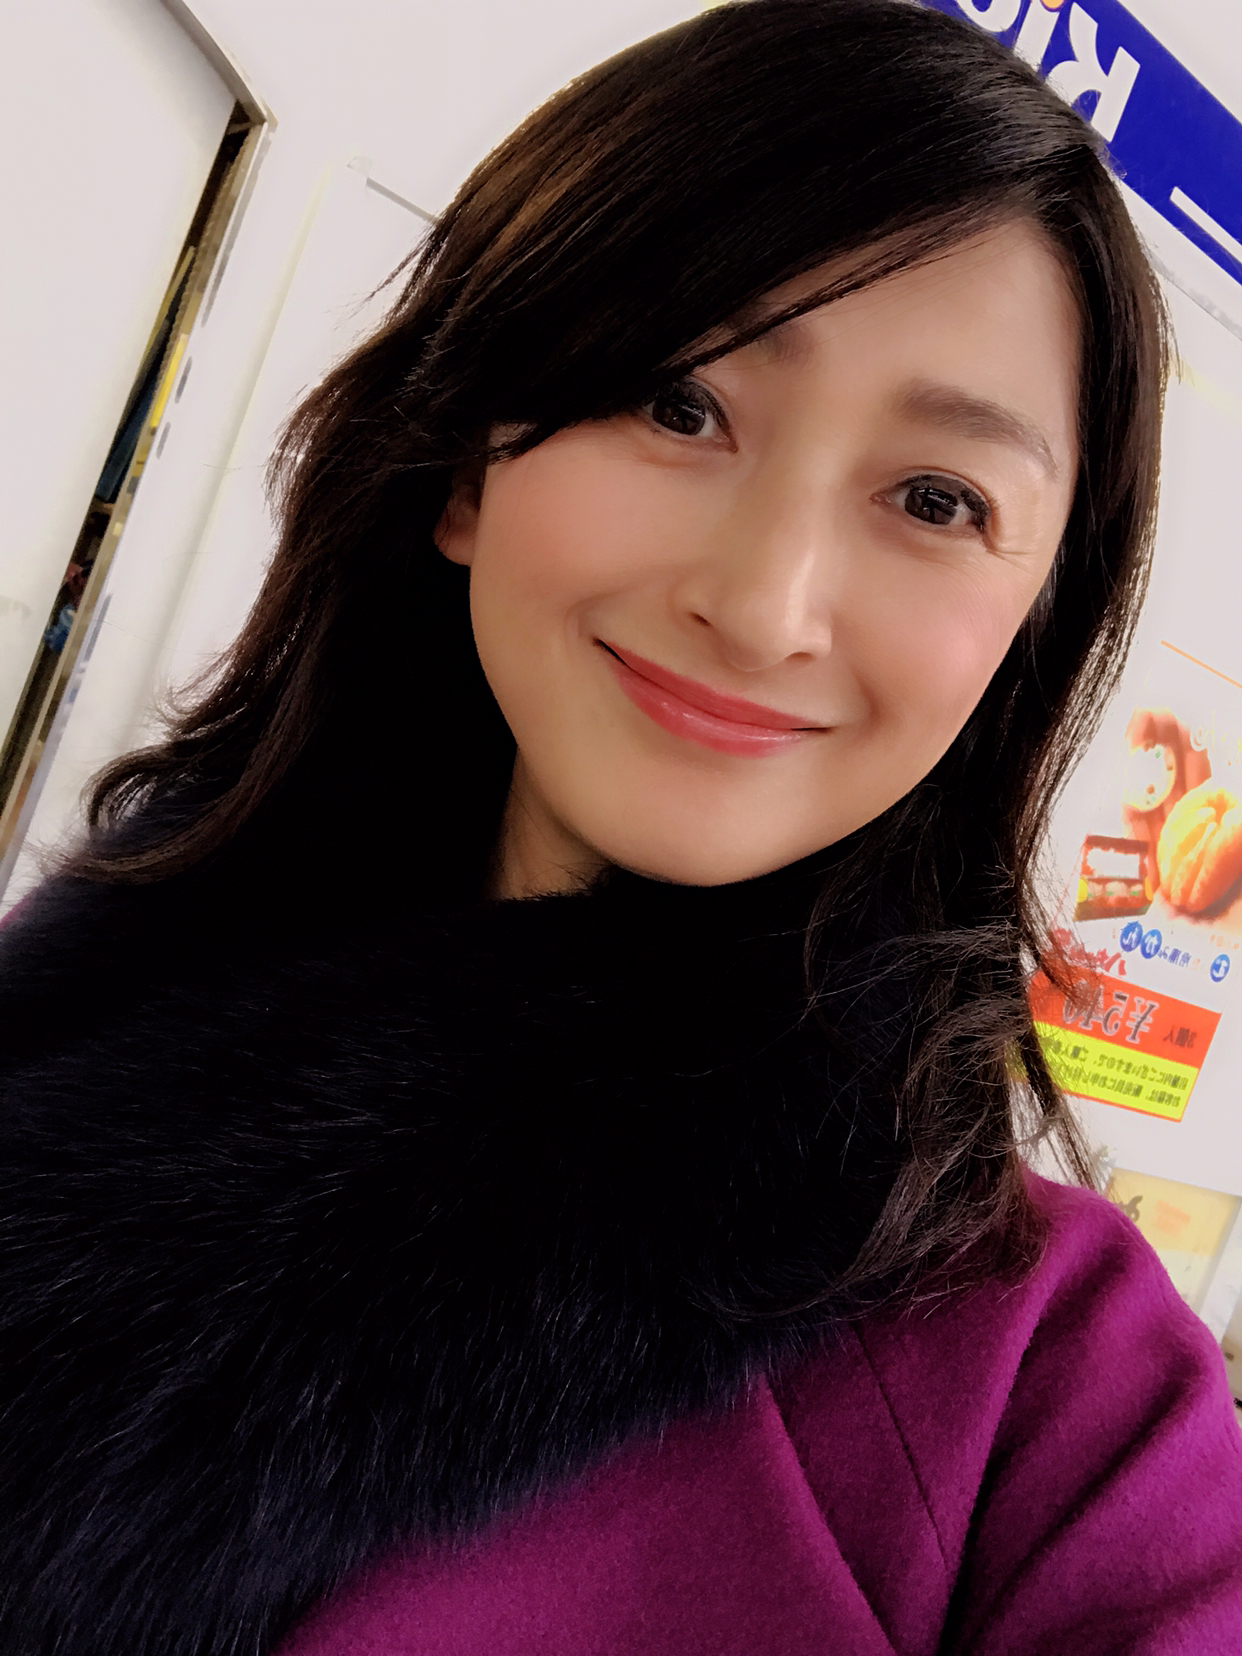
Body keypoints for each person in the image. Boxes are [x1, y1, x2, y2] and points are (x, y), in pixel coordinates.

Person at [0, 1, 1239, 1651]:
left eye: (937, 499)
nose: (762, 604)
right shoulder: (91, 989)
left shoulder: (1056, 1389)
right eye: (676, 404)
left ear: (1025, 631)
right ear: (466, 467)